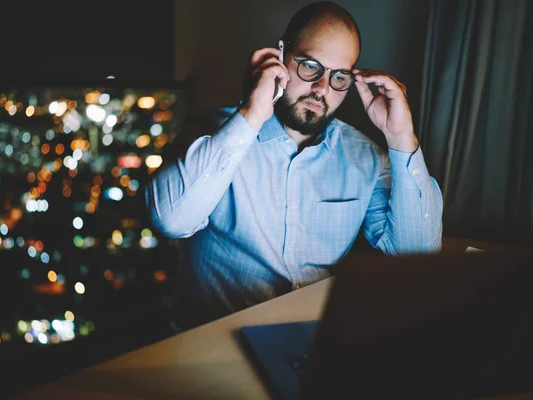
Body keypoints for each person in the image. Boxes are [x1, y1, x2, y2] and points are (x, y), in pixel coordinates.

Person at [146, 1, 443, 331]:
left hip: (311, 348)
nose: (322, 88)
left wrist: (401, 136)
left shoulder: (366, 159)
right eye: (310, 66)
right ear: (280, 56)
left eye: (339, 76)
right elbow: (170, 220)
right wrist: (252, 114)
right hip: (212, 349)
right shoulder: (212, 132)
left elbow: (416, 254)